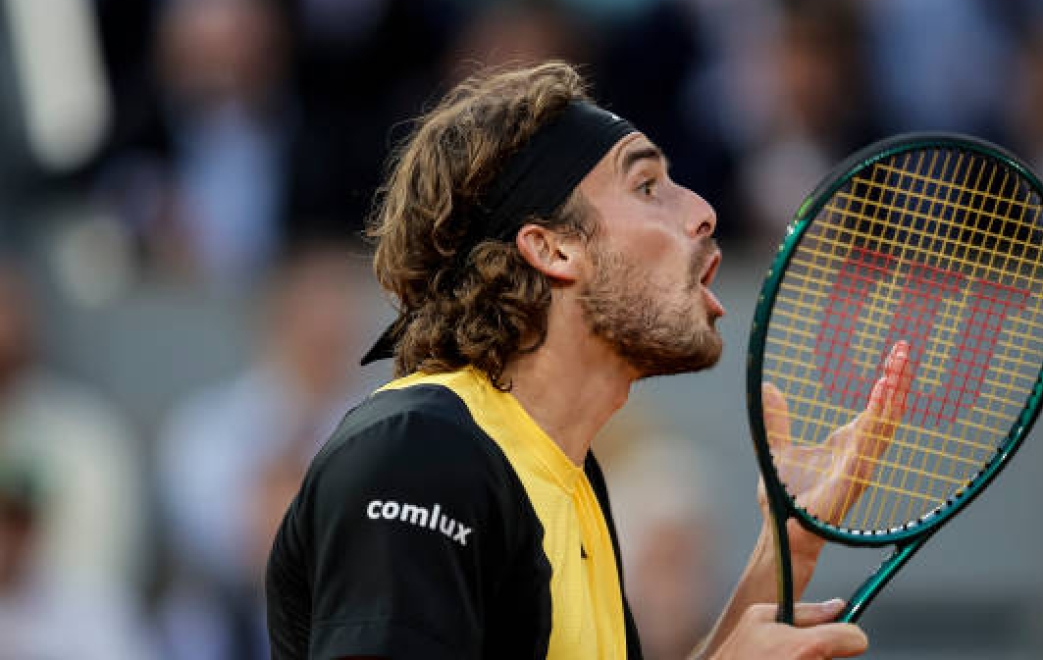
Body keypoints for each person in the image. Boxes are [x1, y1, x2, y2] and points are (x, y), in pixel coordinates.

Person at [265, 61, 911, 659]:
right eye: (648, 185)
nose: (704, 211)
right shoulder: (416, 454)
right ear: (552, 248)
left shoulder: (575, 488)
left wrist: (784, 549)